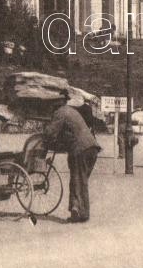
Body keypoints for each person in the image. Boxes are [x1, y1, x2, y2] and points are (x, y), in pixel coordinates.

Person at [43, 90, 102, 223]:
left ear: (56, 103)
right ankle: (77, 210)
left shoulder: (60, 113)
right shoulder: (71, 111)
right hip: (91, 147)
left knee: (78, 180)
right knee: (80, 181)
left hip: (81, 149)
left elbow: (50, 132)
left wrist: (43, 137)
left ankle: (81, 213)